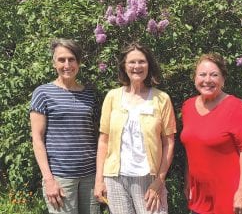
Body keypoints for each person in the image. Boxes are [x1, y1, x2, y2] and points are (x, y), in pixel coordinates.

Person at [94, 42, 176, 214]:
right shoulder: (112, 97)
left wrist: (159, 180)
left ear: (149, 65)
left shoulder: (162, 99)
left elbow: (168, 142)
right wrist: (99, 180)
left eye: (142, 62)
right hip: (114, 178)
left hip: (149, 178)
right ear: (124, 66)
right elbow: (103, 141)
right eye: (132, 62)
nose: (137, 66)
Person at [30, 38, 101, 214]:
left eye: (71, 59)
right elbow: (37, 140)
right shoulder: (43, 93)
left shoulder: (89, 94)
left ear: (78, 63)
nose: (67, 64)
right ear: (54, 63)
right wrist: (49, 180)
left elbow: (98, 137)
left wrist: (100, 176)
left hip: (90, 177)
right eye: (61, 60)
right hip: (60, 178)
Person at [180, 53, 242, 214]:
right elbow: (192, 147)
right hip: (200, 193)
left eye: (214, 75)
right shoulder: (187, 106)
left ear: (223, 80)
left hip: (230, 192)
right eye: (202, 74)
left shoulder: (235, 107)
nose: (207, 80)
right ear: (195, 78)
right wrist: (188, 180)